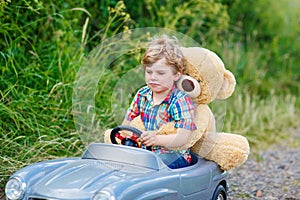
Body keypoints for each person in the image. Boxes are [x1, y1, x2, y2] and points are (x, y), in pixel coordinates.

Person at [122, 35, 197, 168]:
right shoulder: (142, 94)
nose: (153, 78)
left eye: (160, 73)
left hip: (173, 154)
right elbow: (126, 124)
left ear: (176, 75)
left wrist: (156, 139)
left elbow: (182, 138)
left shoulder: (179, 100)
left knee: (147, 165)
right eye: (149, 72)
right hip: (147, 153)